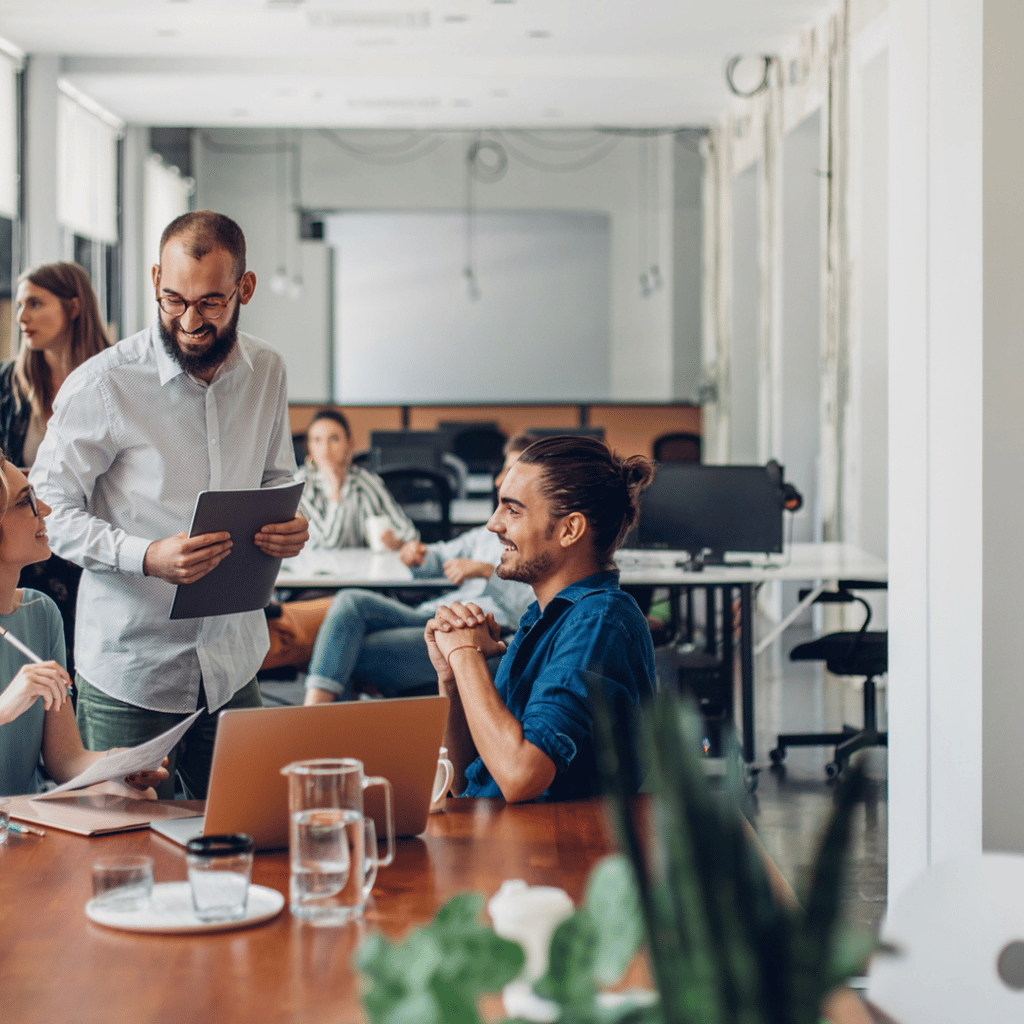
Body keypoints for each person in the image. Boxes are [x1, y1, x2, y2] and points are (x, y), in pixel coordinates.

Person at [30, 210, 308, 800]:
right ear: (155, 278)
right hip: (135, 669)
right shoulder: (103, 384)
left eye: (211, 303)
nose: (188, 321)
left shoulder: (268, 372)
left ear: (245, 289)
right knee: (122, 853)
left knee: (247, 838)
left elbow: (277, 477)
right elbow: (47, 512)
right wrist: (145, 555)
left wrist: (290, 528)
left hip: (234, 663)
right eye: (172, 299)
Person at [425, 435, 657, 804]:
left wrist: (466, 655)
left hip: (550, 849)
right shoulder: (544, 617)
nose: (492, 524)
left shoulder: (598, 622)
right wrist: (453, 680)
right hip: (505, 840)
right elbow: (468, 779)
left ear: (570, 530)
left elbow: (520, 775)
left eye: (512, 510)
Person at [301, 434, 536, 705]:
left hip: (475, 629)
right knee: (350, 601)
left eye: (511, 470)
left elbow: (529, 613)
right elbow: (442, 555)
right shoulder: (488, 533)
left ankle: (318, 720)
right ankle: (320, 719)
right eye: (503, 469)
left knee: (348, 647)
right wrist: (417, 553)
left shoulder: (539, 543)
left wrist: (487, 571)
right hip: (432, 613)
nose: (499, 480)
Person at [0, 452, 167, 797]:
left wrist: (118, 762)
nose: (44, 509)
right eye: (25, 501)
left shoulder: (40, 612)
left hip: (18, 819)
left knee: (136, 795)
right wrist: (5, 707)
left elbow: (66, 760)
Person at [0, 262, 112, 676]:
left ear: (74, 306)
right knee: (31, 668)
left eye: (35, 303)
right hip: (27, 552)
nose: (22, 317)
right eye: (20, 305)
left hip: (95, 546)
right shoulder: (9, 385)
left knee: (89, 671)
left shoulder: (114, 381)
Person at [298, 407, 416, 550]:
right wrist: (336, 493)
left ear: (348, 443)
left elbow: (410, 533)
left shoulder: (364, 480)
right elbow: (329, 545)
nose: (325, 449)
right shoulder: (301, 484)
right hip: (316, 570)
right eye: (317, 440)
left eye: (334, 439)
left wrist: (398, 542)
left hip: (362, 568)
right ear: (309, 446)